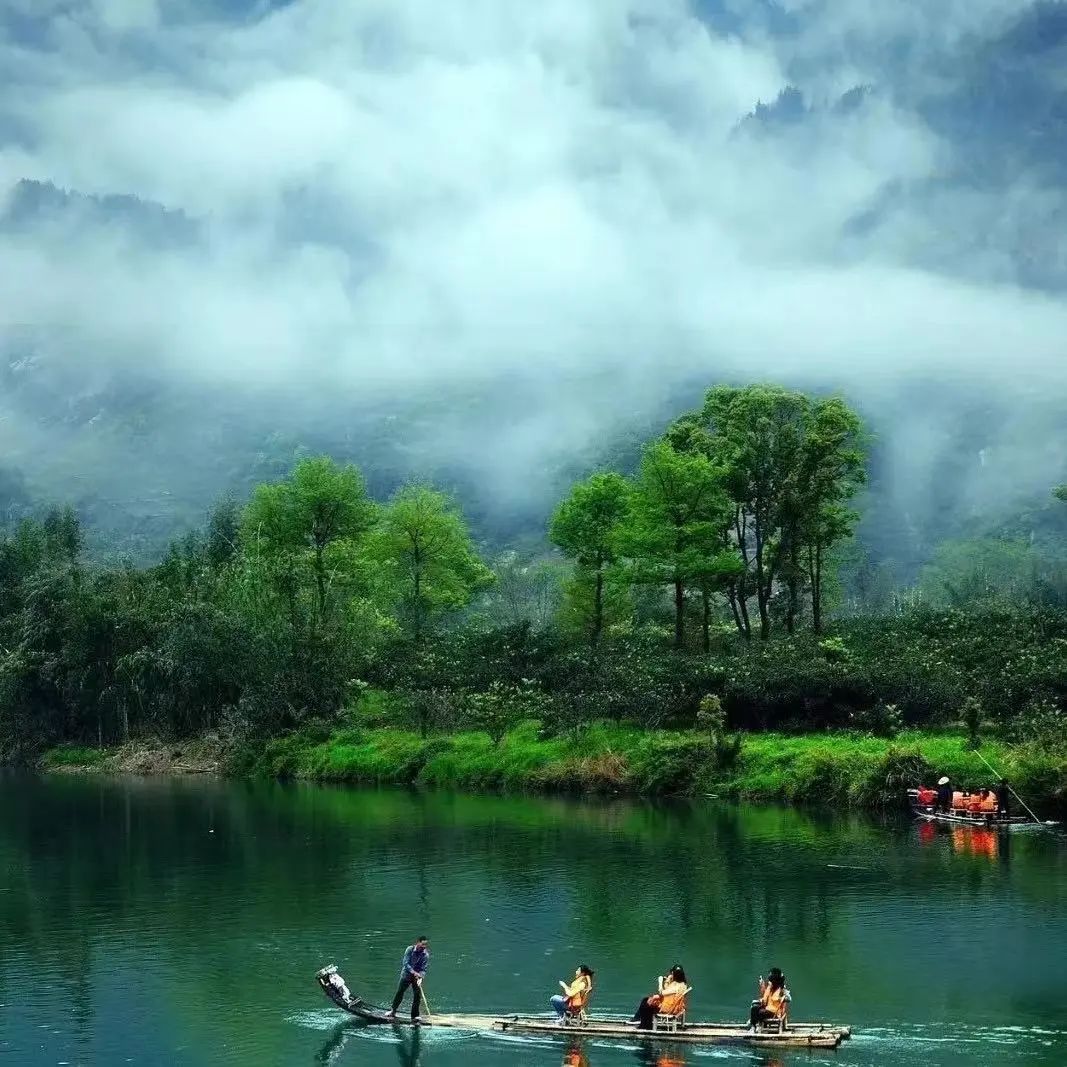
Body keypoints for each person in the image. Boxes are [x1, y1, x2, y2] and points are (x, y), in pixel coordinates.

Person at [629, 965, 689, 1030]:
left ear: (674, 974)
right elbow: (667, 990)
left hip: (669, 1009)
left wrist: (660, 982)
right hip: (674, 1006)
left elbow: (662, 993)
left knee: (646, 1004)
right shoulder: (683, 984)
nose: (671, 974)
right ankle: (640, 1020)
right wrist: (668, 980)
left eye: (672, 973)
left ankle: (644, 1025)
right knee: (646, 999)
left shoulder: (676, 986)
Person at [388, 936, 430, 1023]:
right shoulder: (409, 950)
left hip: (417, 978)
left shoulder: (425, 955)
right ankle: (393, 1011)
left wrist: (421, 977)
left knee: (417, 995)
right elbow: (406, 964)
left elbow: (423, 969)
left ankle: (415, 1016)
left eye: (425, 945)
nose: (424, 946)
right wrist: (414, 972)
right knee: (400, 992)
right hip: (406, 975)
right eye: (422, 944)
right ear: (417, 942)